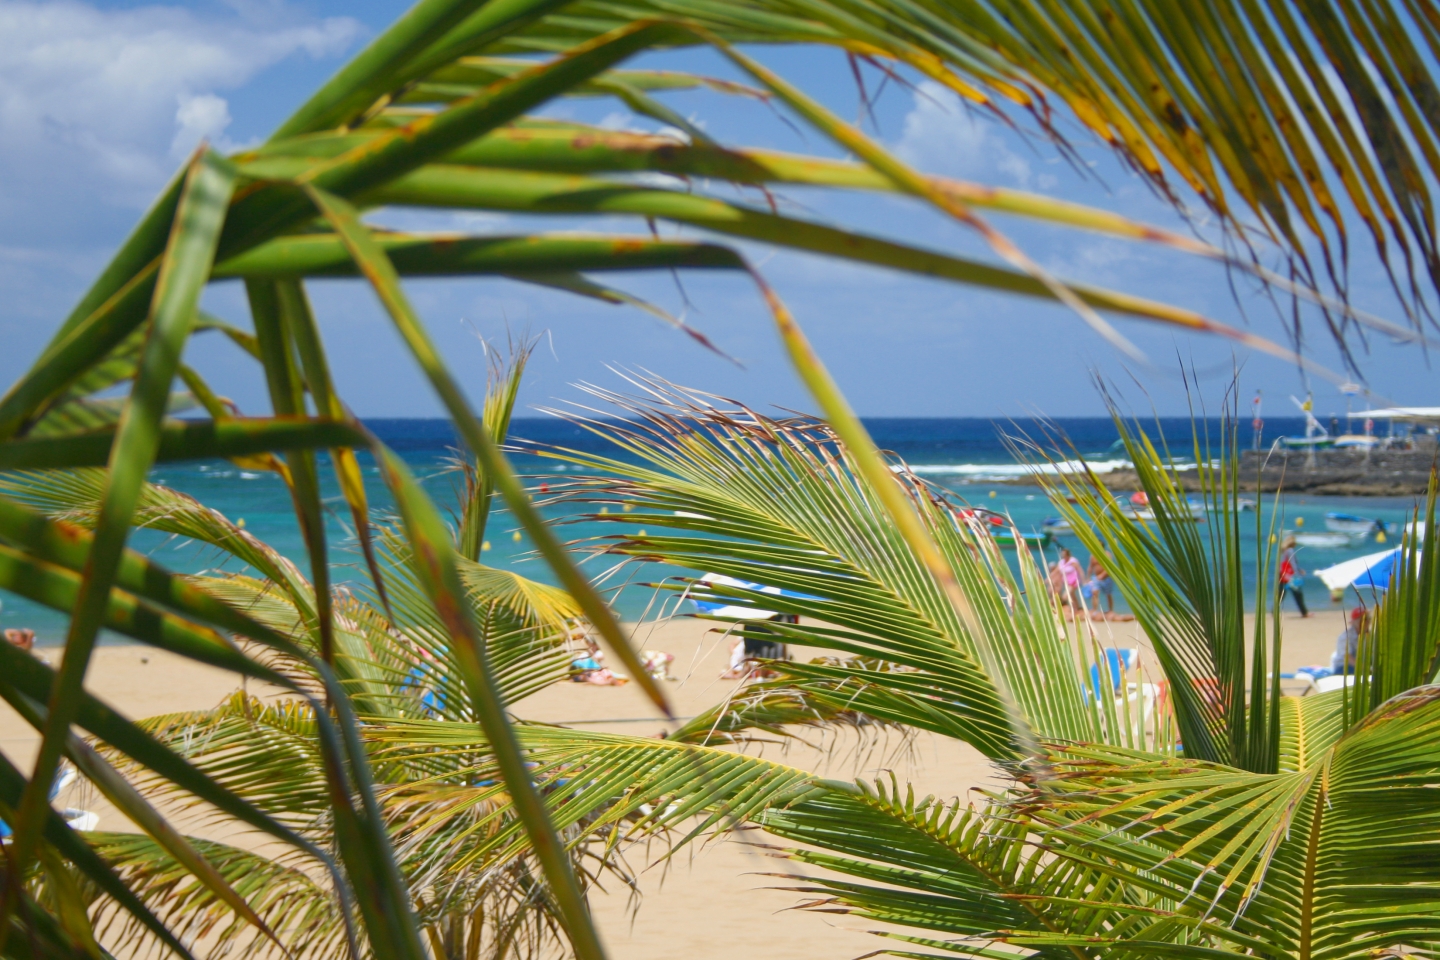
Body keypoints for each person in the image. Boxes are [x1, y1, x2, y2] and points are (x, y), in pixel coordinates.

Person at [1278, 537, 1309, 617]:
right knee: (1298, 594)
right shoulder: (1290, 550)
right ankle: (1304, 613)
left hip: (1282, 575)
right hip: (1290, 576)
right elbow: (1292, 563)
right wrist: (1297, 573)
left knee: (1281, 594)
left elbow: (1283, 564)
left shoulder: (1284, 551)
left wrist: (1299, 569)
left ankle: (1273, 611)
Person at [1331, 606, 1366, 674]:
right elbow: (1349, 659)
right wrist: (1367, 669)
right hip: (1344, 667)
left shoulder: (1370, 635)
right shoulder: (1345, 637)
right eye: (1362, 619)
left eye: (1367, 618)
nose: (1366, 622)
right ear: (1353, 622)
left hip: (1362, 666)